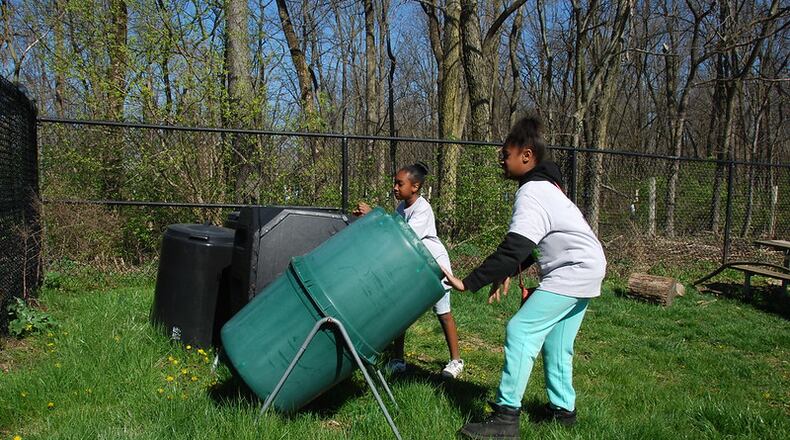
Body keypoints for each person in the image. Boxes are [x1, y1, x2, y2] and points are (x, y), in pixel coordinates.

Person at [442, 117, 606, 439]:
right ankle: (564, 412)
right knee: (558, 344)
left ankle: (505, 419)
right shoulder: (548, 188)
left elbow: (516, 245)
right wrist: (512, 269)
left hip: (572, 270)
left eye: (505, 155)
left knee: (520, 330)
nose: (501, 160)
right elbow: (534, 243)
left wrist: (469, 281)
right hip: (588, 266)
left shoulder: (532, 191)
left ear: (526, 156)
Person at [354, 162, 464, 379]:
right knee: (400, 312)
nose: (394, 187)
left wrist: (374, 214)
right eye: (394, 183)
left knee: (443, 314)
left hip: (435, 268)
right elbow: (392, 236)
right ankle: (398, 359)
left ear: (415, 187)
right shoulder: (401, 208)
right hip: (414, 267)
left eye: (399, 183)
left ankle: (456, 360)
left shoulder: (422, 209)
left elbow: (403, 235)